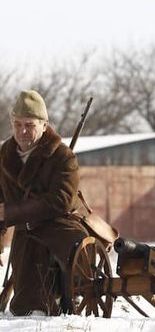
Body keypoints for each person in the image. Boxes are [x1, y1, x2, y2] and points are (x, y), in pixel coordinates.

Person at [0, 90, 89, 315]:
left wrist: (11, 213)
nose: (22, 131)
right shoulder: (4, 155)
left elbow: (60, 201)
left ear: (44, 125)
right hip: (25, 236)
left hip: (61, 228)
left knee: (64, 282)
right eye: (17, 124)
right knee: (25, 308)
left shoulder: (63, 157)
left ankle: (70, 294)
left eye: (29, 125)